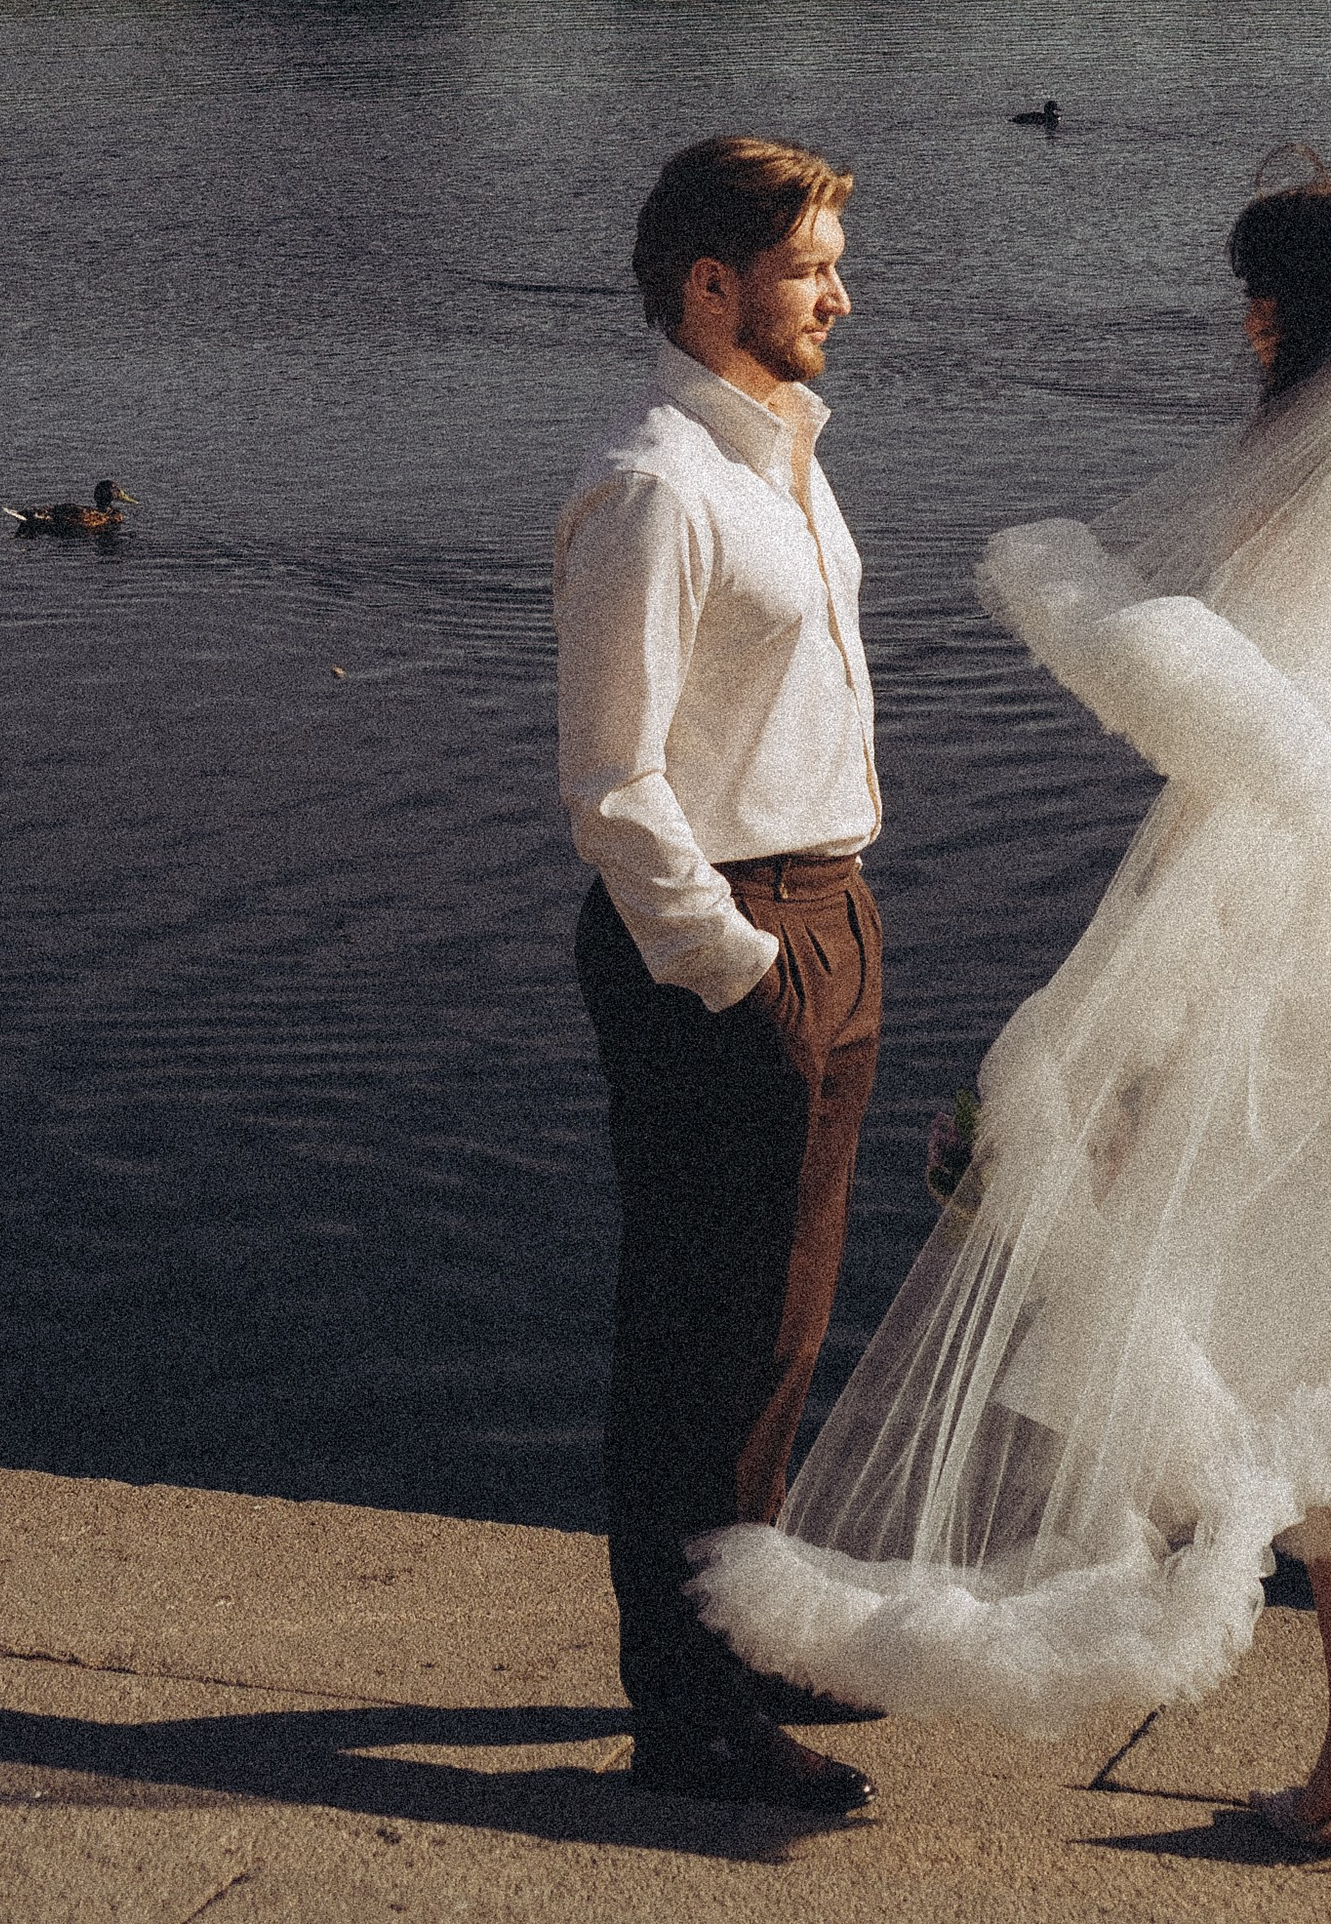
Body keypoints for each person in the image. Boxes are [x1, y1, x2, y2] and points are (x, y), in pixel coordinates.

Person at [691, 170, 1331, 1867]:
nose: (1241, 321)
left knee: (1292, 1316)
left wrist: (1110, 1009)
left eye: (1255, 294)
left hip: (1317, 929)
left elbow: (1237, 777)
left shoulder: (1278, 507)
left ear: (1297, 319)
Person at [556, 133, 883, 1811]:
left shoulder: (785, 461)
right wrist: (739, 969)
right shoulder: (660, 485)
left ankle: (740, 1636)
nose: (840, 291)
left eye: (832, 260)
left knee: (783, 1328)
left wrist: (818, 943)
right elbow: (613, 786)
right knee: (700, 1340)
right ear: (712, 286)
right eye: (811, 264)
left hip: (825, 913)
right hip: (729, 947)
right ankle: (685, 1716)